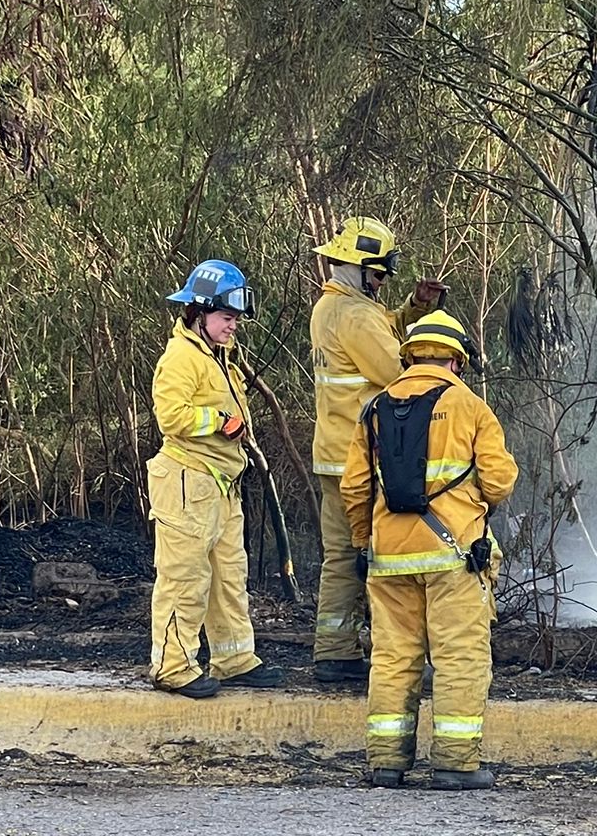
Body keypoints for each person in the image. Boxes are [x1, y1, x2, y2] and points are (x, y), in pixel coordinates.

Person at [342, 309, 518, 789]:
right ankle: (455, 764)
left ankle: (386, 763)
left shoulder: (375, 409)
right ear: (457, 360)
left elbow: (354, 487)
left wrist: (363, 540)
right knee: (459, 657)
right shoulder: (470, 406)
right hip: (453, 557)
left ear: (410, 356)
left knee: (393, 658)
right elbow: (500, 481)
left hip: (389, 558)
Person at [310, 216, 446, 684]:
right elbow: (397, 371)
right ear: (361, 267)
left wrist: (414, 308)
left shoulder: (331, 307)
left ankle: (334, 651)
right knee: (386, 556)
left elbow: (379, 329)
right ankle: (397, 657)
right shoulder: (356, 314)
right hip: (364, 459)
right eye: (381, 273)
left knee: (340, 556)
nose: (383, 281)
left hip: (332, 454)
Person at [147, 259, 283, 698]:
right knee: (184, 579)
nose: (233, 325)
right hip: (187, 480)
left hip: (220, 483)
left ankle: (234, 659)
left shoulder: (219, 356)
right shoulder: (181, 357)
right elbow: (171, 417)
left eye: (236, 318)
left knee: (228, 577)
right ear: (199, 312)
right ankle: (172, 667)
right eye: (227, 317)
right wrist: (220, 421)